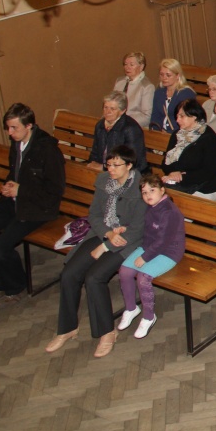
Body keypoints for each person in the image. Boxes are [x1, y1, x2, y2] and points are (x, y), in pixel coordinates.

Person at [45, 145, 144, 359]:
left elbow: (138, 229)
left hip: (129, 242)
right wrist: (107, 234)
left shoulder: (141, 188)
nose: (111, 169)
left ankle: (107, 333)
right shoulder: (104, 182)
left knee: (94, 278)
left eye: (116, 165)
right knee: (69, 274)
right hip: (103, 234)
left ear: (129, 165)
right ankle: (67, 328)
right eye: (108, 164)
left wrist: (109, 243)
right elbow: (94, 215)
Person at [0, 104, 64, 304]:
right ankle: (0, 282)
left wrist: (20, 190)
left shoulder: (48, 150)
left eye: (14, 128)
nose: (10, 132)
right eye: (8, 128)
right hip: (13, 201)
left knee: (1, 247)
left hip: (38, 208)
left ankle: (16, 286)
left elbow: (54, 191)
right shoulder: (17, 145)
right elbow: (16, 173)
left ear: (29, 126)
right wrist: (9, 185)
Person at [116, 174, 185, 339]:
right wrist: (126, 228)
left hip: (169, 251)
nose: (148, 195)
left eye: (152, 190)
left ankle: (148, 317)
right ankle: (131, 308)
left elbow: (163, 241)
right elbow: (143, 225)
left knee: (143, 277)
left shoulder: (169, 212)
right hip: (150, 246)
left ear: (162, 190)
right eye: (144, 192)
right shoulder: (151, 206)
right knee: (124, 271)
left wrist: (145, 257)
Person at [161, 99, 216, 201]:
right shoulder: (177, 135)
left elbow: (208, 172)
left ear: (194, 117)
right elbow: (165, 163)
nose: (177, 120)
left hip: (204, 188)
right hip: (178, 183)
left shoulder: (210, 139)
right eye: (177, 116)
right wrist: (174, 172)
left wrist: (181, 177)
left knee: (174, 202)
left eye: (182, 116)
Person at [88, 91, 148, 173]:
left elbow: (132, 161)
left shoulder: (131, 129)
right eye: (105, 107)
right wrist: (91, 164)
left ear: (122, 111)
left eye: (112, 109)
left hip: (129, 173)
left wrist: (104, 167)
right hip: (105, 170)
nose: (107, 112)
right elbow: (95, 152)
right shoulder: (100, 125)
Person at [150, 58, 196, 132]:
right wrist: (156, 131)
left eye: (168, 75)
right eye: (161, 74)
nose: (164, 78)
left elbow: (187, 121)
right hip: (160, 133)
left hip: (178, 133)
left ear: (177, 75)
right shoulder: (159, 92)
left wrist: (170, 133)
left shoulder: (186, 93)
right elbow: (155, 116)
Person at [113, 51, 155, 127]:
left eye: (131, 65)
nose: (127, 67)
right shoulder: (119, 81)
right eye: (125, 64)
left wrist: (123, 123)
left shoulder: (147, 87)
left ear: (141, 67)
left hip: (133, 127)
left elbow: (146, 117)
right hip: (115, 124)